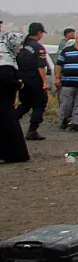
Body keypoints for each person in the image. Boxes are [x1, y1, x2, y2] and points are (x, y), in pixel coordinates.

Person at [14, 23, 49, 141]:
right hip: (35, 79)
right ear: (39, 33)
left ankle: (10, 121)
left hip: (22, 79)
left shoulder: (21, 46)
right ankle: (32, 131)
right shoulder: (38, 48)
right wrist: (44, 82)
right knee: (40, 103)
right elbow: (41, 66)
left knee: (25, 103)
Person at [0, 21, 29, 162]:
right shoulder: (5, 59)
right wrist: (18, 84)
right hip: (4, 102)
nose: (19, 48)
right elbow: (5, 79)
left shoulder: (7, 56)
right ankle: (12, 155)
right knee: (8, 127)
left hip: (6, 102)